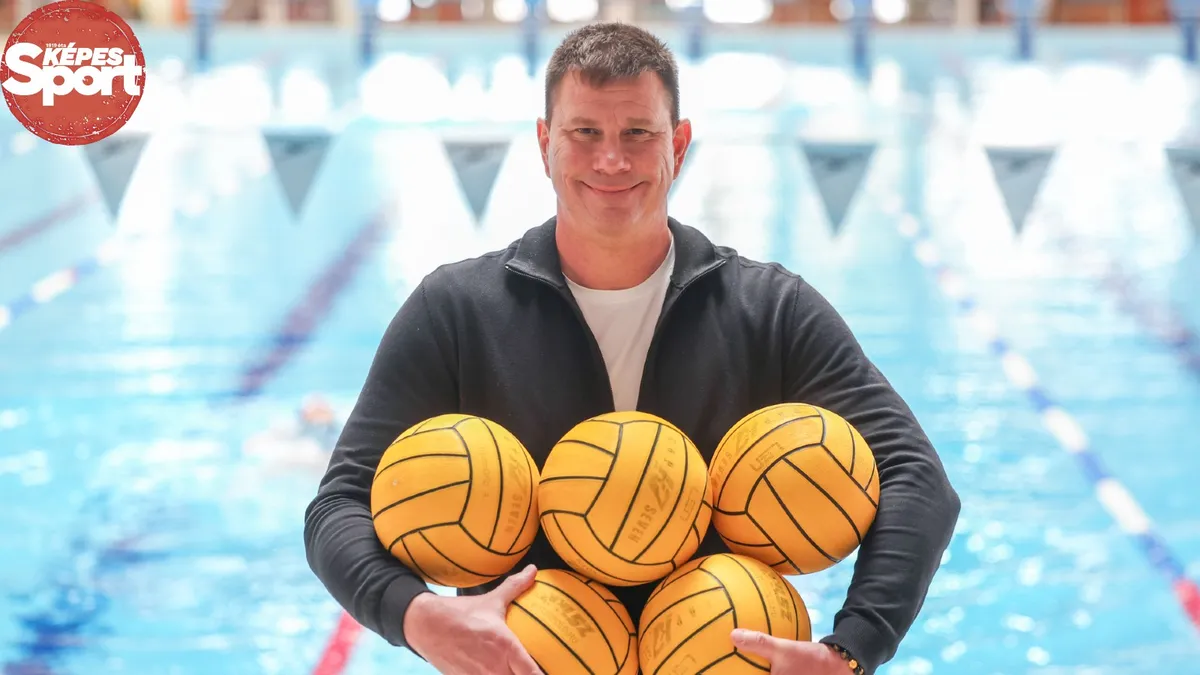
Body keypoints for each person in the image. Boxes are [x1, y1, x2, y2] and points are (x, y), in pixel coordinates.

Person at [304, 21, 960, 675]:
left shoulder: (768, 309)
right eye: (585, 132)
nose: (611, 161)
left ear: (679, 144)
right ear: (545, 144)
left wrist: (850, 650)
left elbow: (915, 476)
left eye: (638, 133)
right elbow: (341, 503)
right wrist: (416, 615)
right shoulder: (457, 310)